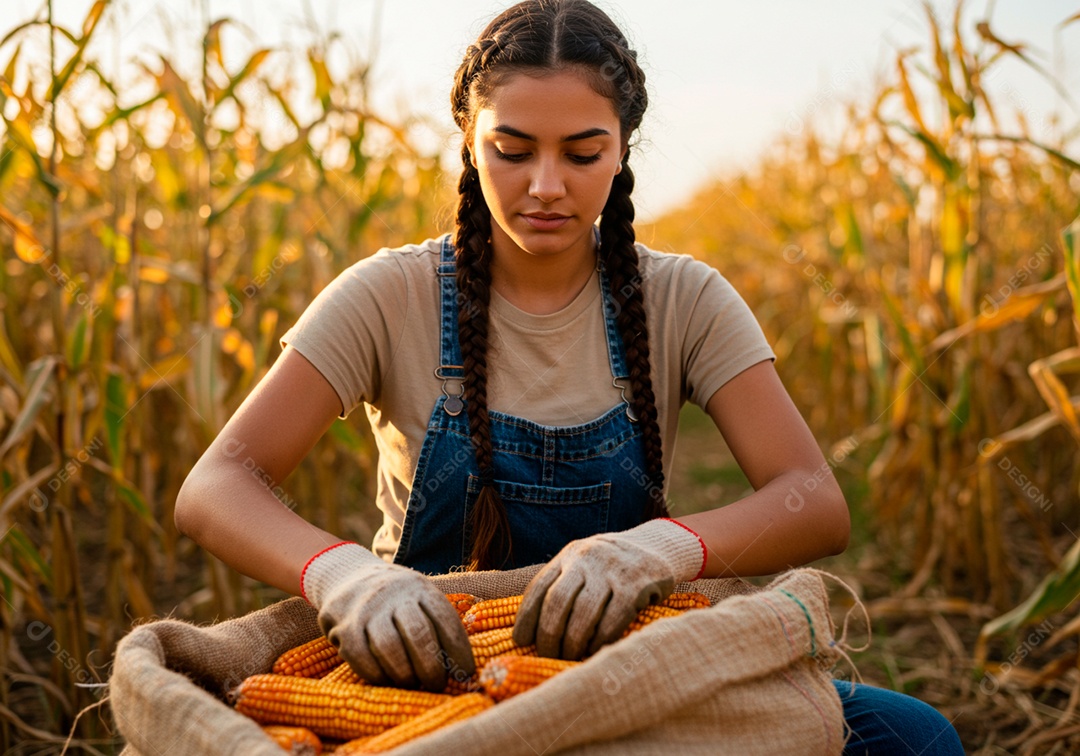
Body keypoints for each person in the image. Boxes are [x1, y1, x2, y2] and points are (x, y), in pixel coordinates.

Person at [174, 1, 963, 752]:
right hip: (423, 678)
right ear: (466, 139)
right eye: (511, 151)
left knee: (918, 737)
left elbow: (814, 501)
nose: (545, 185)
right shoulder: (390, 295)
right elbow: (216, 487)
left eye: (582, 153)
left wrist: (658, 552)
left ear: (623, 149)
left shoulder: (684, 298)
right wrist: (347, 579)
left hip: (621, 664)